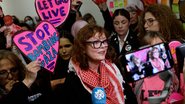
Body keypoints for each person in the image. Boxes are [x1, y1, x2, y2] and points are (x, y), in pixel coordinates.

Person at [63, 24, 125, 104]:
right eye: (96, 42)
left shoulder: (112, 69)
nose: (102, 46)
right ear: (83, 47)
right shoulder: (73, 79)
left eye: (104, 41)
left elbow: (130, 97)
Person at [50, 31, 74, 103]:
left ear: (74, 45)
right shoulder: (52, 66)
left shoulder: (81, 62)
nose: (64, 51)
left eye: (67, 46)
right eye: (60, 47)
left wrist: (58, 81)